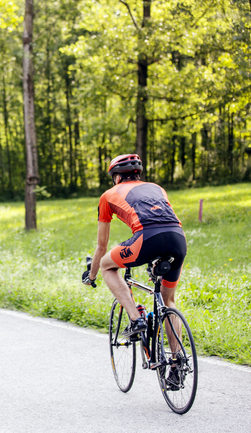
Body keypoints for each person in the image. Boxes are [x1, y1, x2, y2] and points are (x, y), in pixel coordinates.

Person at [81, 154, 187, 386]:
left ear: (117, 176)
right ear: (137, 173)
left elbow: (101, 247)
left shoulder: (108, 196)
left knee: (108, 266)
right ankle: (178, 364)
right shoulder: (157, 188)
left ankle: (136, 317)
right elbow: (160, 217)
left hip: (146, 239)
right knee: (168, 301)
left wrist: (91, 275)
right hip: (178, 239)